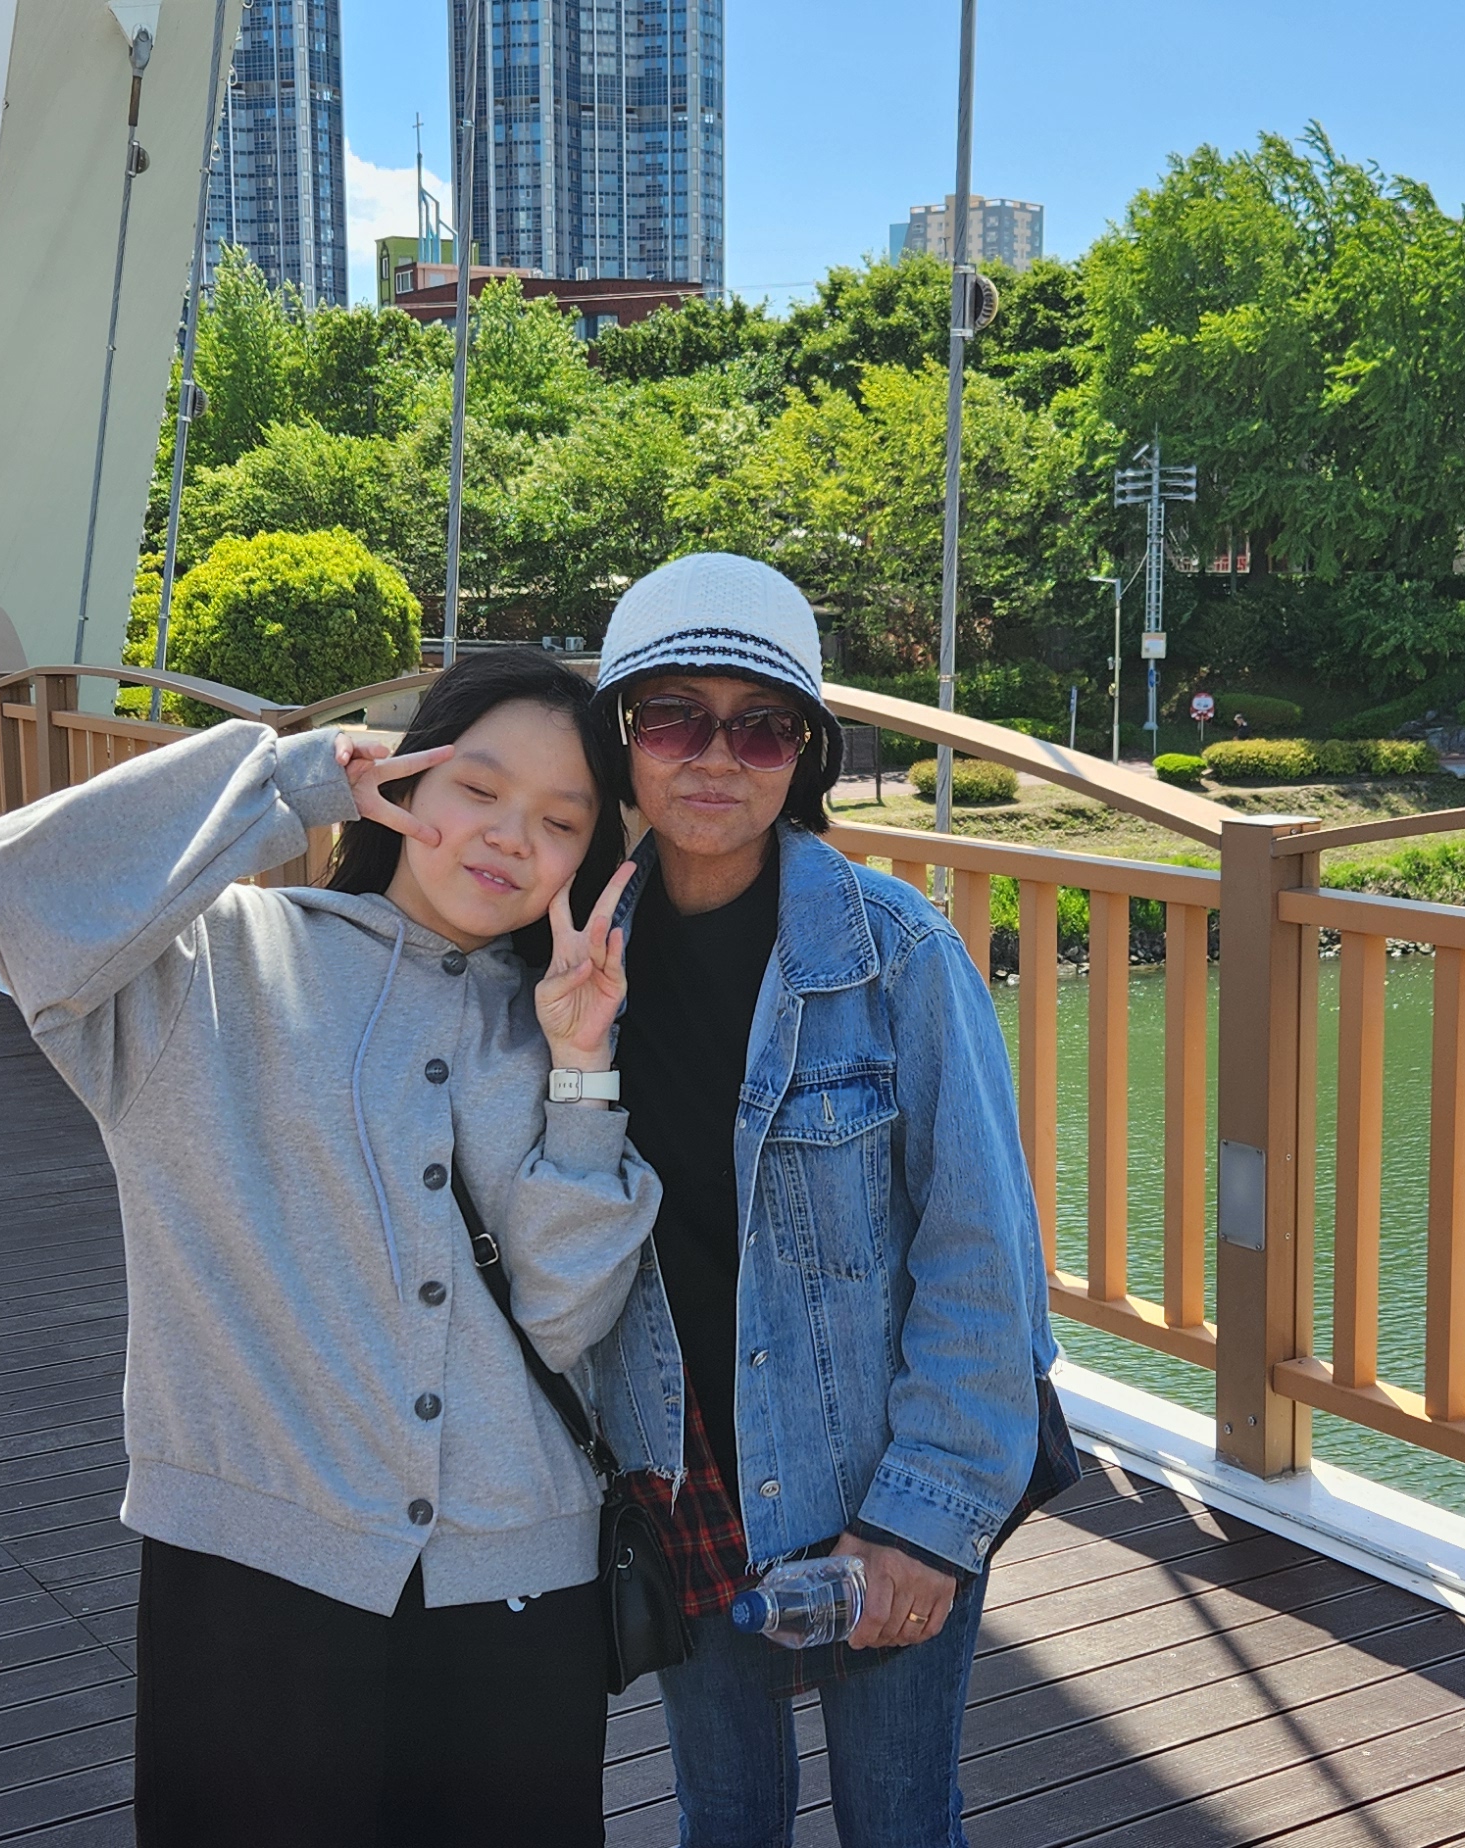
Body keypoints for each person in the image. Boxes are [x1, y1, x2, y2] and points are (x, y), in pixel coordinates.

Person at [0, 648, 662, 1845]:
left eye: (559, 821)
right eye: (478, 788)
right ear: (404, 781)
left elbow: (563, 1319)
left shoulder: (556, 1020)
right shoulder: (210, 966)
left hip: (520, 1591)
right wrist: (292, 781)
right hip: (256, 1582)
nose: (509, 836)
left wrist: (584, 1073)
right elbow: (4, 882)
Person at [575, 554, 1058, 1848]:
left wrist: (924, 1529)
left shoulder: (898, 953)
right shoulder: (573, 958)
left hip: (871, 1484)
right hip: (682, 1476)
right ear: (621, 741)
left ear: (806, 755)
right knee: (723, 1819)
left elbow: (982, 1258)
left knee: (900, 1823)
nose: (714, 758)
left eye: (761, 727)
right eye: (672, 719)